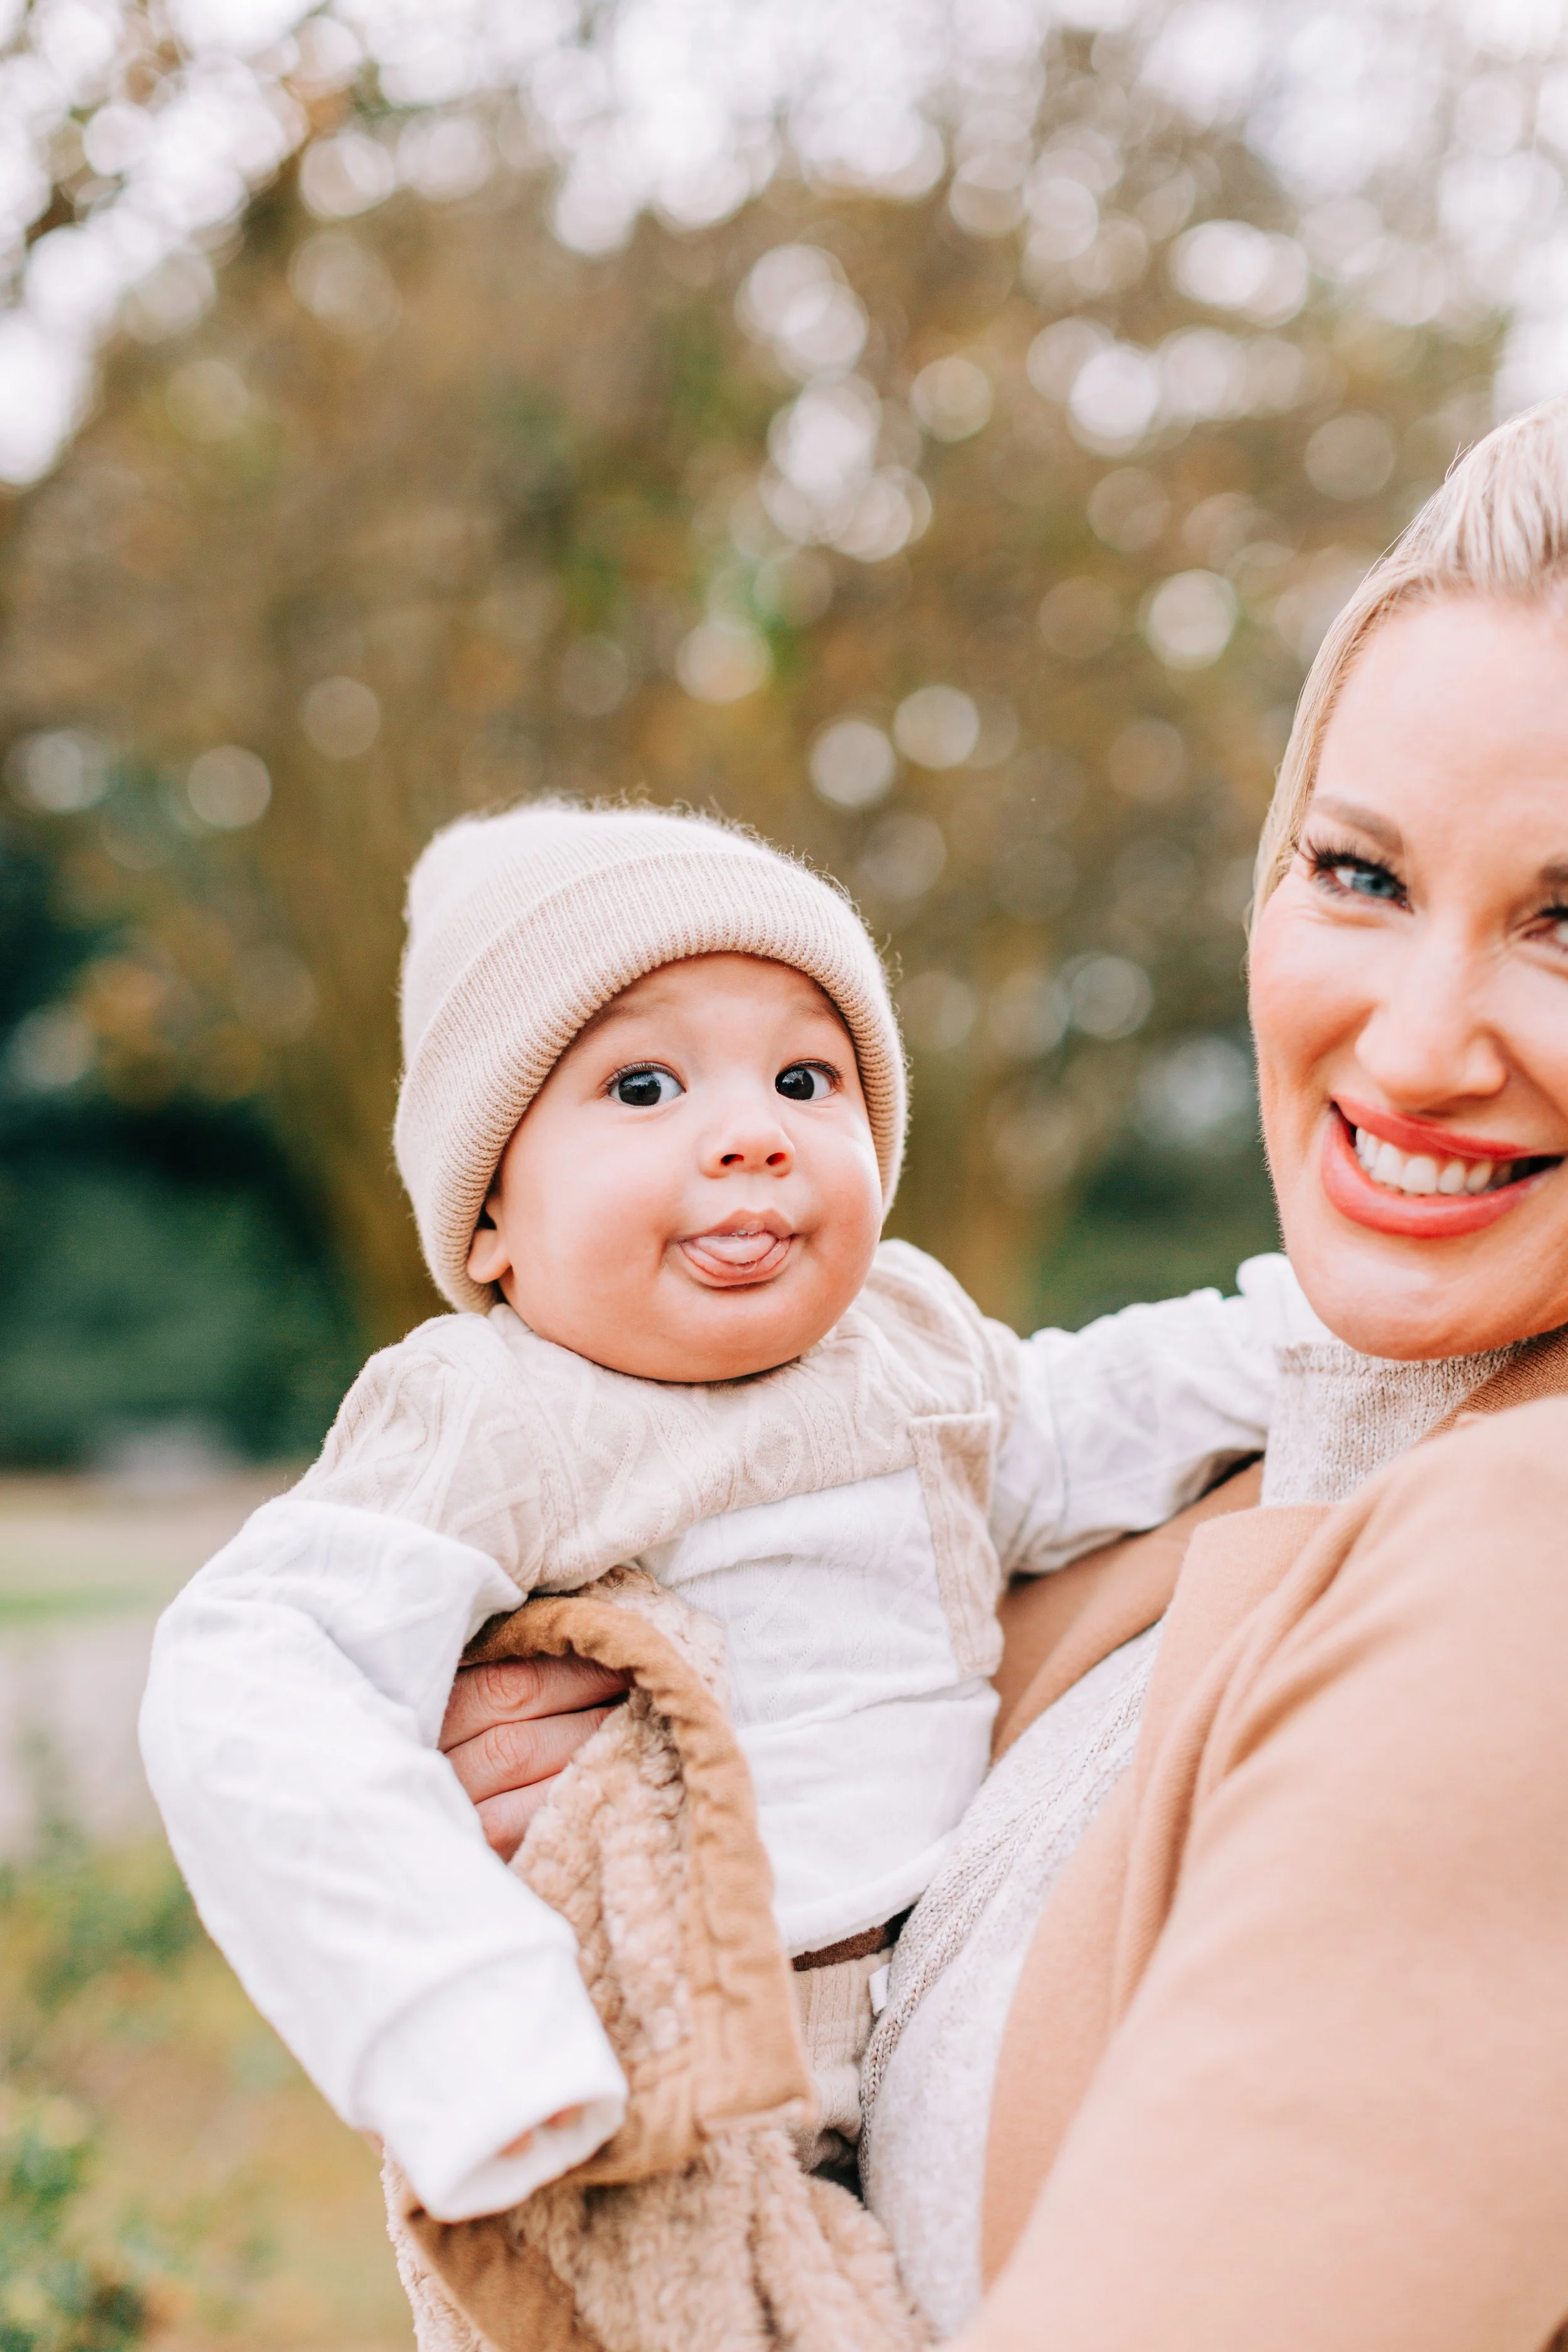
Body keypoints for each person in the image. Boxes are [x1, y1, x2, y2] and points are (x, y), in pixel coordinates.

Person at [447, 397, 1568, 2352]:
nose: (1411, 1042)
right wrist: (606, 1782)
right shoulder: (1210, 1466)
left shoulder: (1526, 1572)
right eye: (1358, 873)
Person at [139, 803, 1293, 2263]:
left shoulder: (911, 1352)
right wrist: (462, 2018)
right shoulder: (497, 1414)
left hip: (938, 2006)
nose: (750, 1133)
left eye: (804, 1077)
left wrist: (1310, 1328)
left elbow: (1097, 1413)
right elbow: (256, 1666)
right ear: (489, 1211)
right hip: (655, 2077)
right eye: (641, 1086)